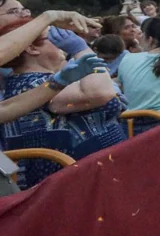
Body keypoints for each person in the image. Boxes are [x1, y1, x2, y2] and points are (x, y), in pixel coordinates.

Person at [2, 28, 126, 186]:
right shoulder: (30, 83)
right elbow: (99, 93)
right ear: (32, 48)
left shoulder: (41, 78)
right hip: (73, 184)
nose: (63, 43)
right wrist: (81, 49)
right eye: (54, 38)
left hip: (92, 175)